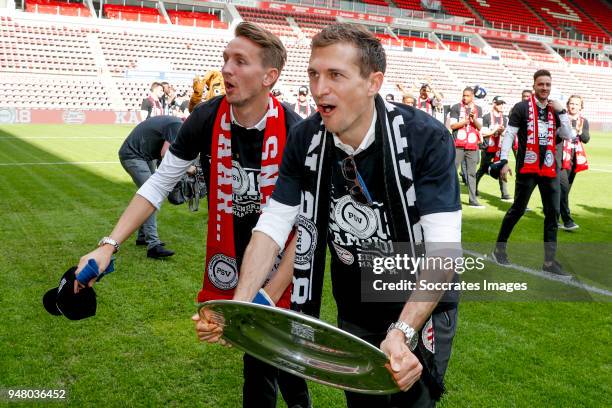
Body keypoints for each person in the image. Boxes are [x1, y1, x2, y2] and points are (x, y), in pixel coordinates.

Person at [199, 23, 461, 407]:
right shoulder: (306, 139)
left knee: (413, 401)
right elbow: (272, 227)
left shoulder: (426, 138)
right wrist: (238, 309)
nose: (319, 88)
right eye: (313, 74)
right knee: (362, 402)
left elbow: (443, 251)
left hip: (421, 296)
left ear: (374, 82)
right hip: (354, 297)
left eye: (335, 75)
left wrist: (402, 331)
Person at [75, 22, 311, 408]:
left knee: (285, 361)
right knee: (257, 365)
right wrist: (108, 245)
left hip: (288, 262)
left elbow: (306, 227)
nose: (226, 71)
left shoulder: (295, 131)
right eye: (225, 60)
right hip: (234, 257)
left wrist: (266, 295)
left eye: (240, 61)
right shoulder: (205, 118)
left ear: (270, 77)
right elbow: (158, 184)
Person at [492, 69, 574, 276]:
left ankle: (549, 262)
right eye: (541, 84)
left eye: (548, 84)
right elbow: (510, 135)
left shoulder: (556, 109)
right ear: (534, 86)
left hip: (550, 168)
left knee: (552, 213)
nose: (544, 88)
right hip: (527, 167)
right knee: (518, 209)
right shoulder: (521, 108)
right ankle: (499, 249)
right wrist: (503, 161)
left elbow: (567, 135)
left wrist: (562, 112)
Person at [118, 115, 184, 258]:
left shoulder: (176, 122)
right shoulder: (177, 125)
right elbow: (165, 153)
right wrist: (186, 169)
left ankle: (142, 236)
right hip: (133, 156)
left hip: (144, 155)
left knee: (148, 193)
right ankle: (153, 245)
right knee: (151, 196)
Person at [558, 95, 590, 231]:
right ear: (567, 104)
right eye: (571, 103)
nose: (573, 106)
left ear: (580, 107)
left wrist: (580, 131)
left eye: (576, 104)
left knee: (564, 191)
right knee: (563, 189)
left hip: (575, 159)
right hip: (560, 157)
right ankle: (567, 221)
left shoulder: (583, 121)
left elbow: (586, 139)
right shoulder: (561, 118)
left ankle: (554, 219)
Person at [449, 87, 484, 208]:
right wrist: (465, 121)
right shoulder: (456, 107)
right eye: (464, 95)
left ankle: (473, 200)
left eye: (467, 95)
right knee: (453, 171)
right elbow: (452, 125)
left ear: (472, 96)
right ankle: (451, 198)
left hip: (472, 145)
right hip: (458, 144)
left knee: (472, 173)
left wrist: (473, 119)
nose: (465, 98)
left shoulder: (478, 109)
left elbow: (480, 127)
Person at [475, 96, 511, 201]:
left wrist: (502, 131)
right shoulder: (486, 117)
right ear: (494, 104)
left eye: (502, 104)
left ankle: (504, 193)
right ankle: (474, 189)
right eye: (499, 103)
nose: (501, 106)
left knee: (502, 169)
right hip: (488, 148)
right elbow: (483, 132)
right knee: (482, 169)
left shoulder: (505, 118)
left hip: (499, 149)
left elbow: (506, 134)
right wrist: (494, 130)